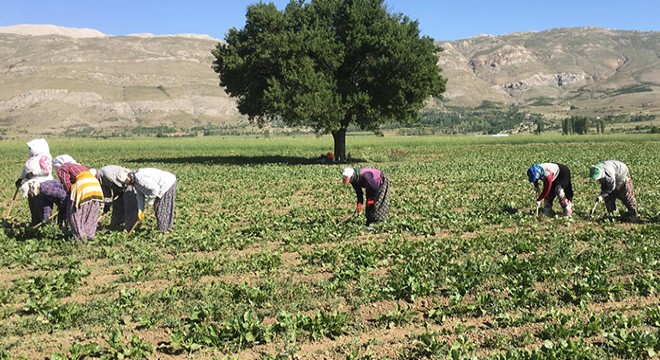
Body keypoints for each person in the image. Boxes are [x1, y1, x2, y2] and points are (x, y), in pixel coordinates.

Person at [54, 155, 104, 241]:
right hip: (96, 187)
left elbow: (66, 183)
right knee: (91, 212)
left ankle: (79, 236)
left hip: (82, 186)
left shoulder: (63, 168)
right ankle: (89, 235)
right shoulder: (80, 166)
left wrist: (70, 196)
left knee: (74, 213)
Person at [122, 168, 177, 234]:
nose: (126, 183)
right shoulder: (134, 182)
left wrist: (150, 201)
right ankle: (164, 229)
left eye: (126, 181)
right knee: (159, 207)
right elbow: (140, 196)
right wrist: (140, 211)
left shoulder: (139, 177)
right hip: (161, 186)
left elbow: (155, 189)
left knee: (161, 207)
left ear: (128, 176)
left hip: (167, 183)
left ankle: (165, 231)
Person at [15, 138, 54, 225]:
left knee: (43, 206)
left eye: (31, 148)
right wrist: (21, 179)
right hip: (31, 186)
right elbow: (25, 170)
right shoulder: (32, 159)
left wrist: (34, 173)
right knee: (33, 206)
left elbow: (46, 171)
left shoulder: (45, 157)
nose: (29, 150)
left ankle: (44, 225)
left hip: (42, 186)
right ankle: (36, 224)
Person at [97, 165, 139, 231]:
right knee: (117, 203)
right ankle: (116, 224)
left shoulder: (107, 174)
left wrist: (119, 191)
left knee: (129, 203)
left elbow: (122, 184)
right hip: (120, 187)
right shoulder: (101, 179)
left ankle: (130, 227)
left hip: (129, 183)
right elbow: (106, 194)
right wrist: (107, 206)